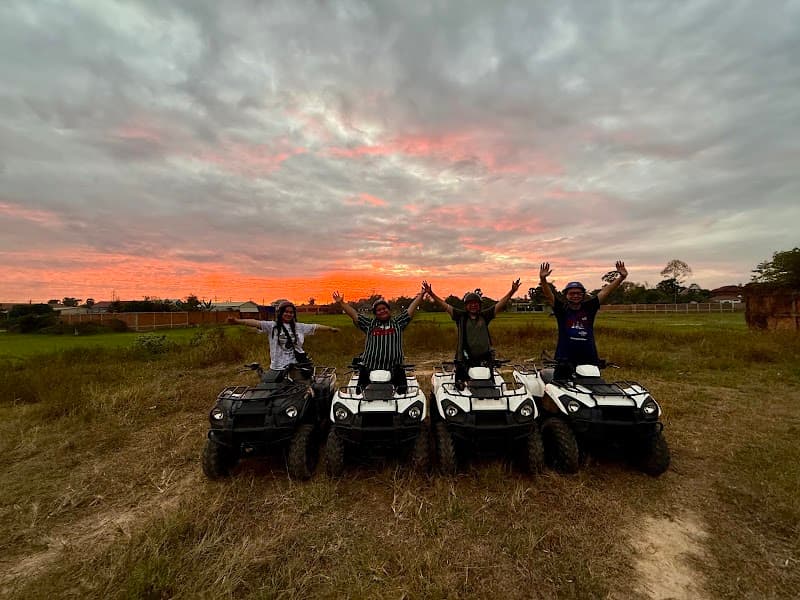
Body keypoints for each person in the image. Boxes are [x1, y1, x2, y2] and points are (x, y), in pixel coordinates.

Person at [423, 279, 521, 388]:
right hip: (464, 358)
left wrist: (512, 291)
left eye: (476, 303)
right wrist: (431, 293)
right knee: (461, 386)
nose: (473, 306)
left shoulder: (485, 316)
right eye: (470, 304)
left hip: (484, 358)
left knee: (488, 384)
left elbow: (500, 304)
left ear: (479, 305)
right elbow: (445, 305)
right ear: (466, 305)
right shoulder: (460, 316)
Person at [332, 287, 426, 392]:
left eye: (384, 308)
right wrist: (342, 303)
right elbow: (354, 315)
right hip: (370, 367)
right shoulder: (370, 324)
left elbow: (410, 311)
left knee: (402, 395)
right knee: (360, 394)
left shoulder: (397, 323)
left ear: (389, 310)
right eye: (379, 310)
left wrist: (421, 295)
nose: (382, 311)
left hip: (395, 368)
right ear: (375, 313)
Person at [538, 261, 628, 368]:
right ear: (566, 295)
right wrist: (543, 279)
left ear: (583, 295)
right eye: (572, 293)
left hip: (589, 357)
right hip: (565, 358)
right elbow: (549, 295)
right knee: (562, 384)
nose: (575, 296)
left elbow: (605, 292)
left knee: (592, 383)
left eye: (578, 293)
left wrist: (621, 277)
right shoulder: (561, 309)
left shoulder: (589, 307)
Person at [228, 301, 339, 380]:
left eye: (291, 312)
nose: (288, 314)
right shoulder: (272, 326)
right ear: (280, 313)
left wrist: (330, 329)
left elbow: (315, 327)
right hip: (276, 367)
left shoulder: (299, 327)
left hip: (294, 366)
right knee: (272, 391)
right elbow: (255, 322)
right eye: (286, 312)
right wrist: (237, 321)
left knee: (299, 392)